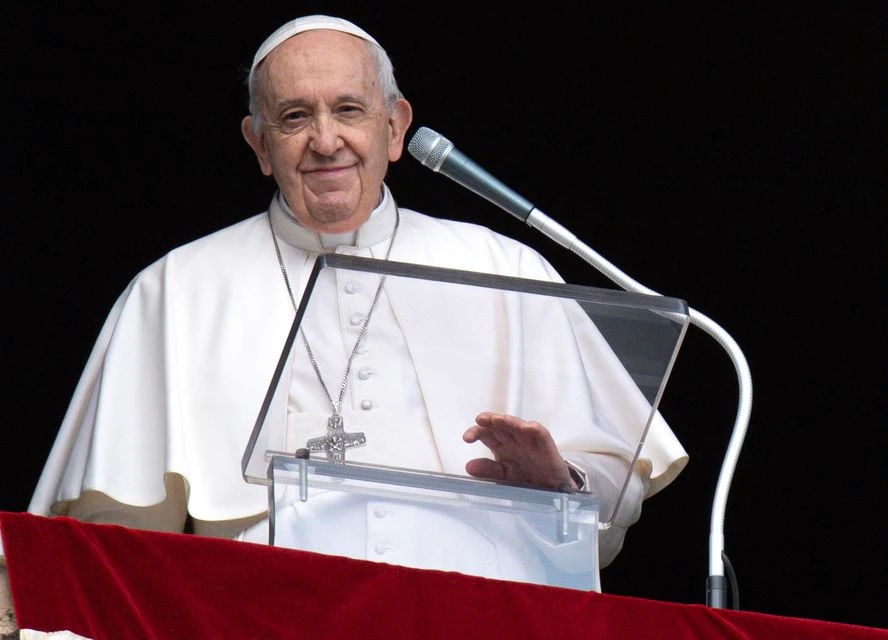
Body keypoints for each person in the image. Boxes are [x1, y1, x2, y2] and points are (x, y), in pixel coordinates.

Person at [28, 15, 688, 590]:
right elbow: (116, 541)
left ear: (395, 128)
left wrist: (562, 487)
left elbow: (608, 507)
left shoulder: (504, 267)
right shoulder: (175, 289)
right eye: (293, 117)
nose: (324, 140)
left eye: (349, 109)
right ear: (259, 144)